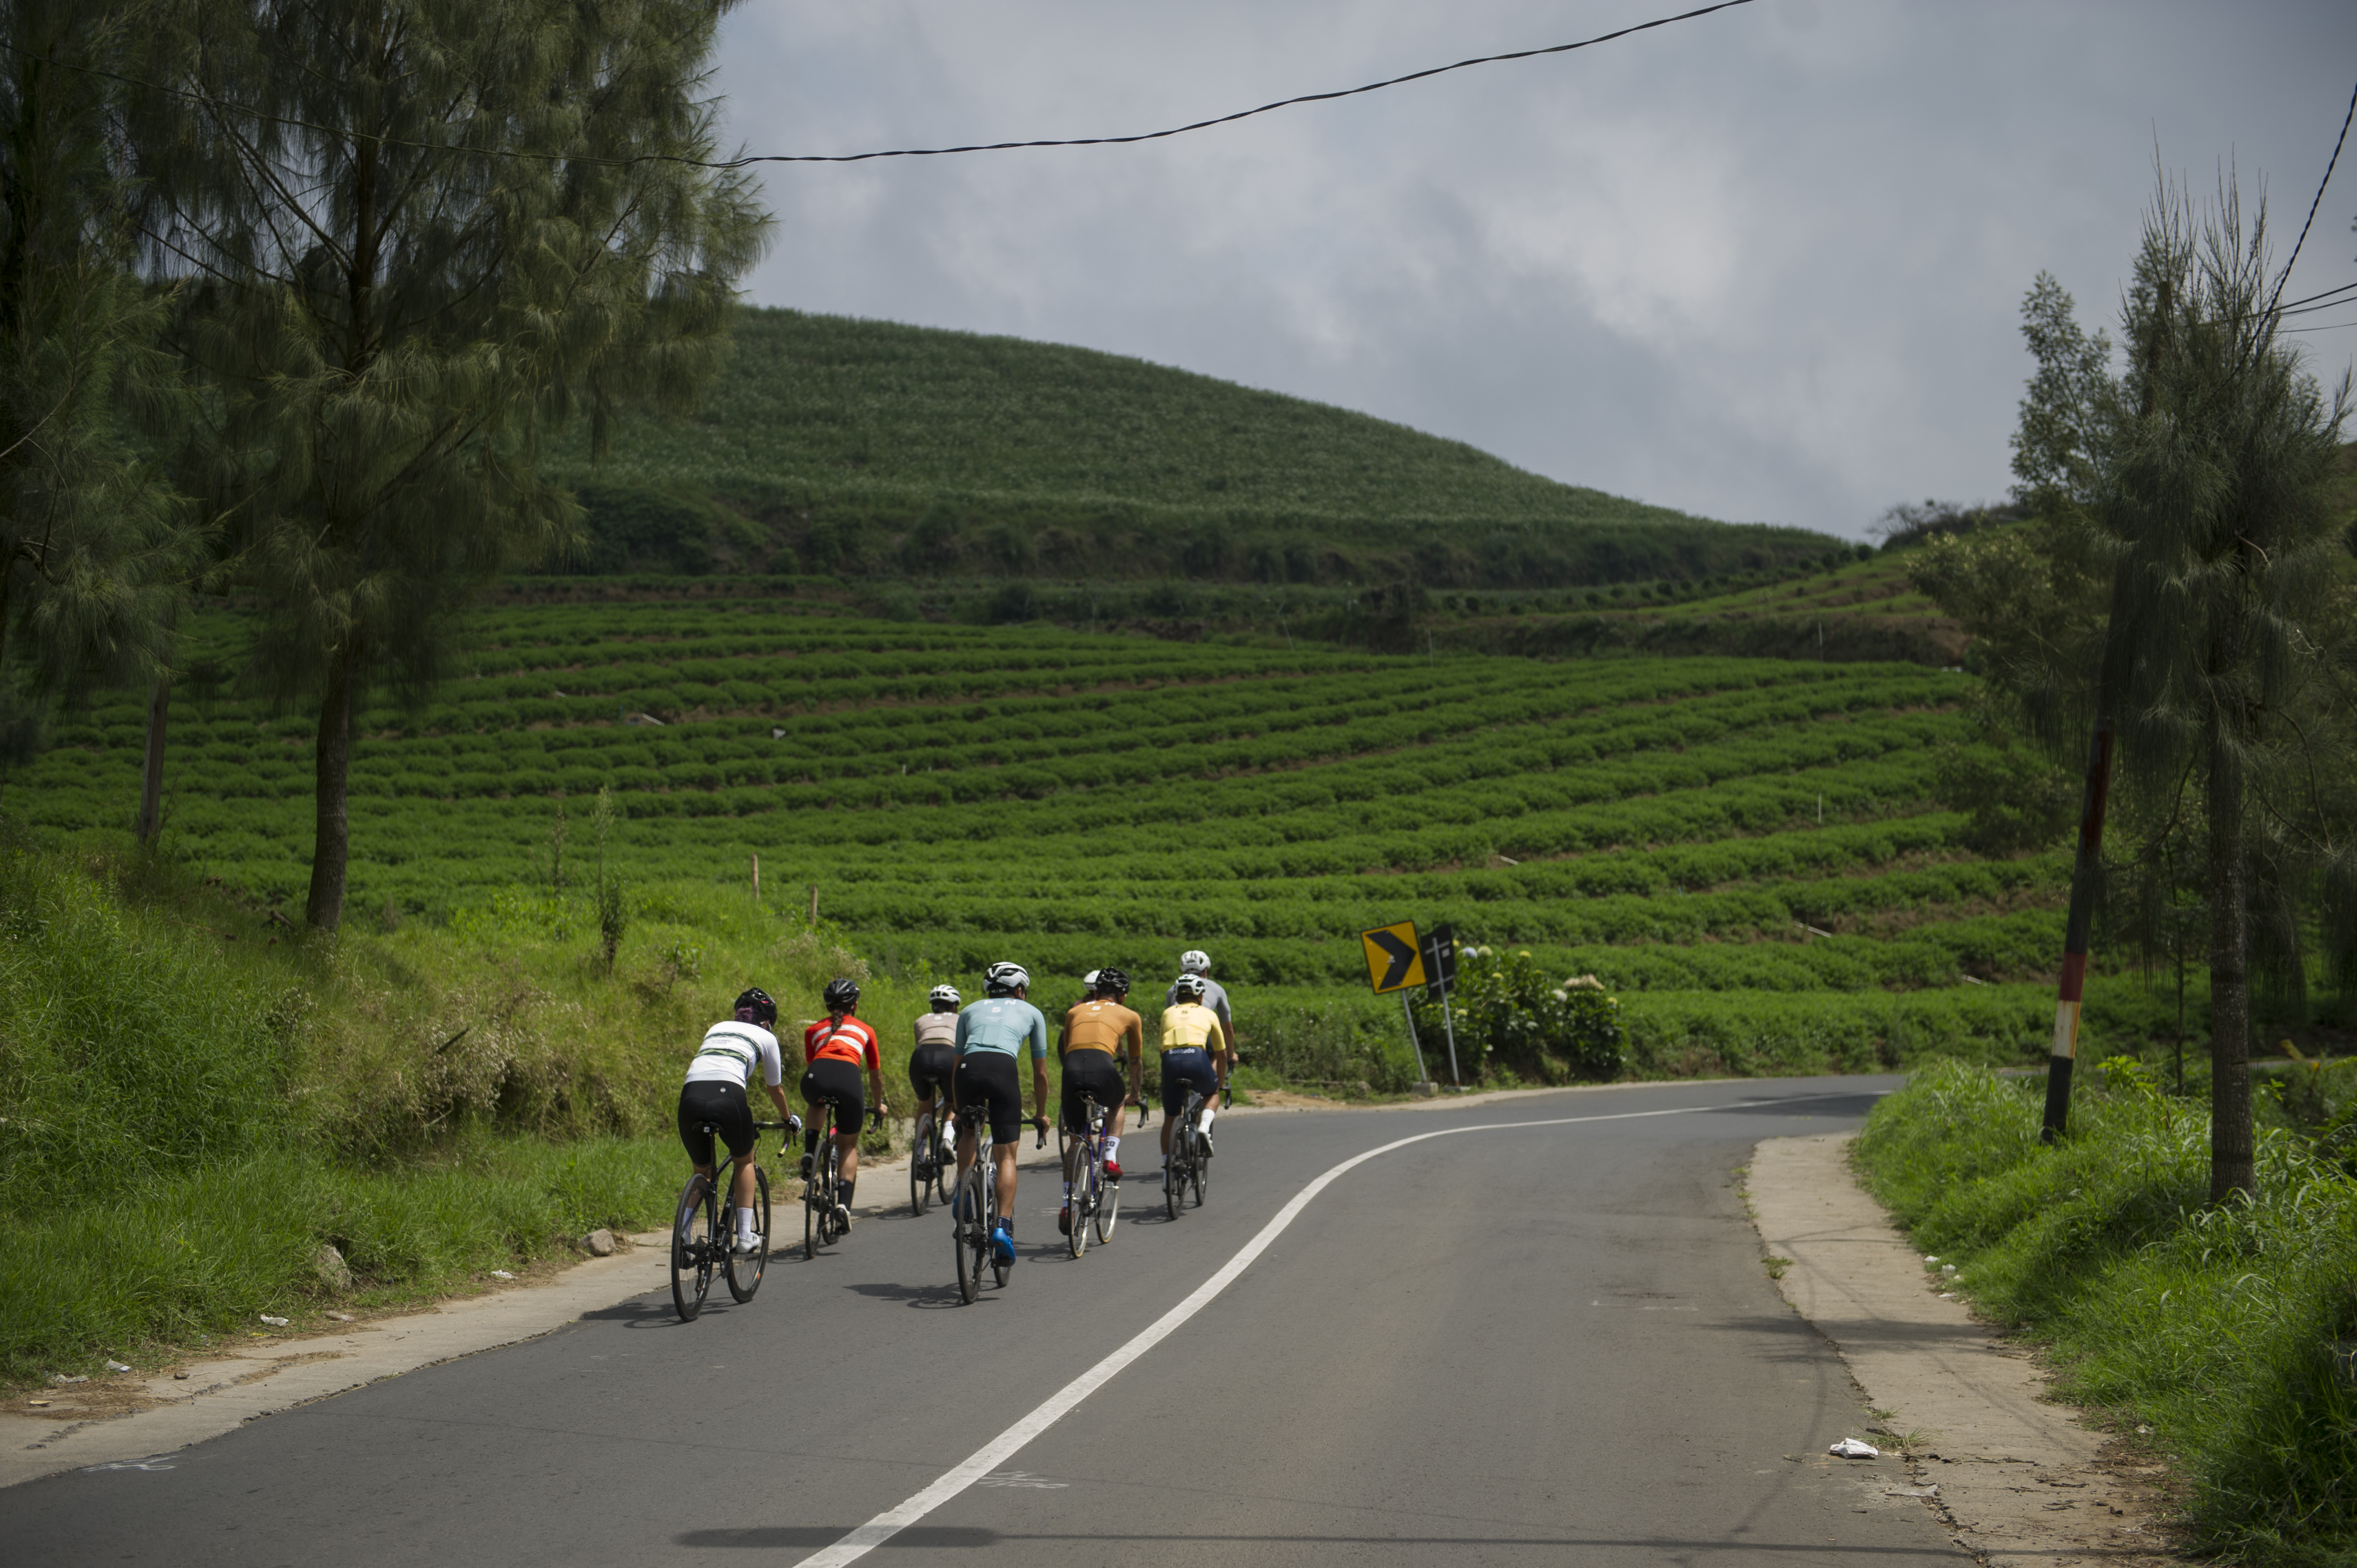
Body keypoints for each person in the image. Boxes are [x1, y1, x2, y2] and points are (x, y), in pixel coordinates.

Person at [679, 987, 796, 1255]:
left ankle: (683, 1240)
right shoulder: (766, 1036)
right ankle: (745, 1235)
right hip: (729, 1096)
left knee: (702, 1172)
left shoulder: (717, 1027)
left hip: (690, 1098)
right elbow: (775, 1089)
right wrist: (788, 1120)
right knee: (744, 1160)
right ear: (767, 1022)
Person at [953, 960, 1051, 1264]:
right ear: (1019, 990)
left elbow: (955, 1066)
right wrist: (1042, 1114)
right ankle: (1003, 1229)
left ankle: (966, 1192)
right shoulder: (1032, 1012)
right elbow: (1040, 1073)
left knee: (970, 1131)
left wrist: (958, 1110)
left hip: (968, 1070)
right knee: (1006, 1155)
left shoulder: (969, 1010)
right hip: (1003, 1069)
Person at [1056, 966, 1144, 1235]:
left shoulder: (1074, 1011)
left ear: (1095, 992)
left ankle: (1067, 1202)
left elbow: (1070, 1045)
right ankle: (1109, 1157)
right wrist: (1136, 1094)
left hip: (1071, 1072)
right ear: (1124, 995)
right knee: (1116, 1102)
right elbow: (1135, 1060)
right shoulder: (1130, 1015)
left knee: (1076, 1141)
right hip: (1103, 1068)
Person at [801, 977, 886, 1232]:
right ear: (855, 1005)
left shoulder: (813, 1030)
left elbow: (812, 1064)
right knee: (848, 1147)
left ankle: (809, 1151)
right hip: (848, 1080)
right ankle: (844, 1206)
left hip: (816, 1076)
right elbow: (875, 1077)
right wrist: (879, 1105)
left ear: (828, 1006)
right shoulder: (866, 1030)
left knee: (817, 1102)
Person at [1157, 971, 1229, 1169]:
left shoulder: (1167, 1013)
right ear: (1200, 997)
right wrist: (1220, 1083)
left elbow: (1162, 1050)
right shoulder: (1209, 1014)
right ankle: (1204, 1128)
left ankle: (1167, 1171)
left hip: (1171, 1061)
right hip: (1197, 1058)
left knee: (1170, 1118)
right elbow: (1221, 1054)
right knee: (1212, 1092)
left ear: (1177, 997)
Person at [910, 983, 961, 1160]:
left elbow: (920, 1043)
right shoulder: (960, 1019)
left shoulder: (921, 1020)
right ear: (954, 1006)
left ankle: (918, 1153)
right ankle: (947, 1140)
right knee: (952, 1103)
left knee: (925, 1107)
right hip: (947, 1056)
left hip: (921, 1057)